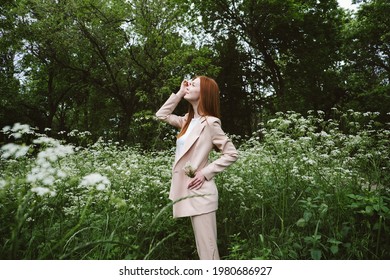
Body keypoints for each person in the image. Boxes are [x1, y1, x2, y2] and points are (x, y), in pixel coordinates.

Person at [155, 75, 238, 260]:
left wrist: (205, 173)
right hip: (189, 191)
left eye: (193, 84)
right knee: (204, 252)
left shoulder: (210, 123)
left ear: (204, 93)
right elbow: (161, 115)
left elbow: (231, 153)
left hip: (202, 193)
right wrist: (179, 93)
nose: (188, 85)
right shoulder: (187, 121)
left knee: (208, 253)